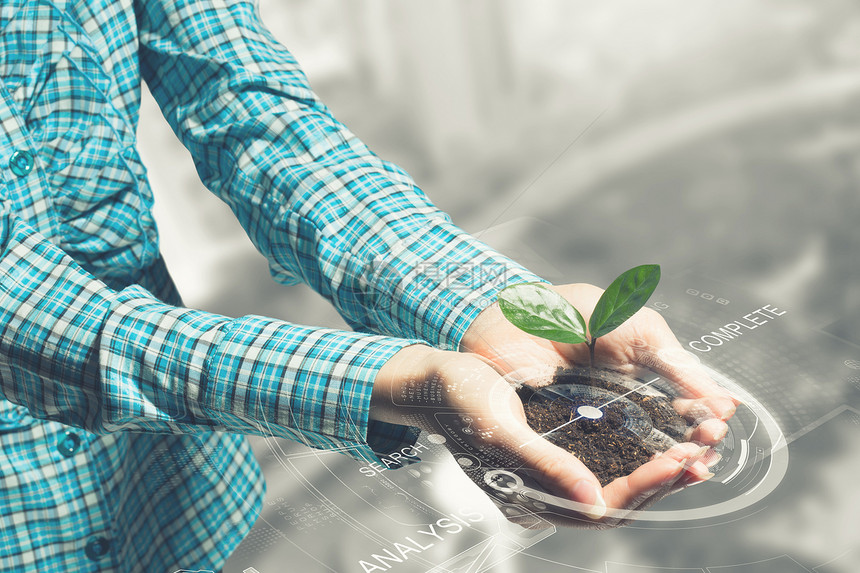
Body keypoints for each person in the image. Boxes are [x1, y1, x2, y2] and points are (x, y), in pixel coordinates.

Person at [0, 0, 736, 570]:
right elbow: (19, 306)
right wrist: (388, 381)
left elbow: (253, 111)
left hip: (167, 485)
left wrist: (483, 303)